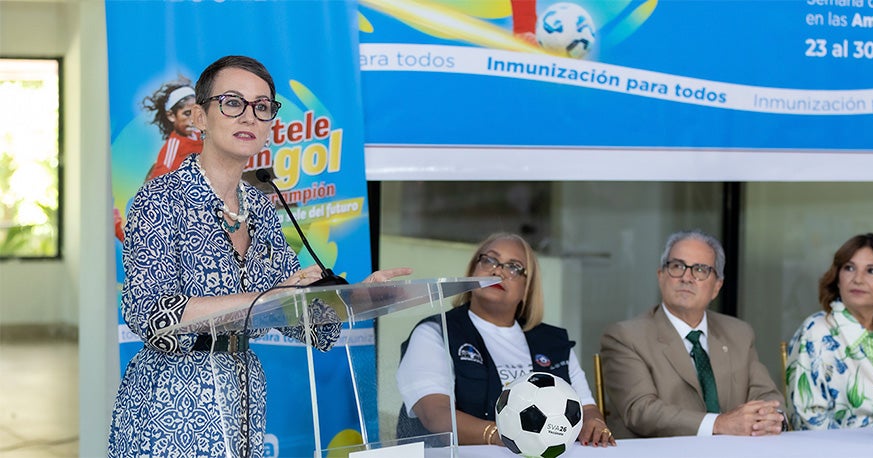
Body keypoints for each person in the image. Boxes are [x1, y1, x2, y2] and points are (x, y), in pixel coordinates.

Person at [107, 55, 410, 457]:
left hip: (243, 396)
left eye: (262, 107)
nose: (249, 116)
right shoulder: (159, 199)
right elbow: (150, 314)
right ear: (199, 116)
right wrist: (264, 299)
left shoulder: (263, 208)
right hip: (170, 403)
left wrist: (353, 299)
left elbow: (300, 321)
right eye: (232, 102)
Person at [396, 232, 615, 447]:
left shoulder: (553, 342)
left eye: (513, 267)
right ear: (472, 270)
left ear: (527, 288)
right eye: (489, 260)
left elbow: (586, 408)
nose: (498, 270)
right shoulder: (435, 332)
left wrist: (594, 423)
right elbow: (436, 416)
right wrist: (508, 437)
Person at [600, 229, 786, 438]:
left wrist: (771, 418)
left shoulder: (739, 333)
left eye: (700, 269)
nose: (687, 277)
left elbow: (768, 396)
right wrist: (719, 423)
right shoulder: (625, 337)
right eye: (677, 266)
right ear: (661, 276)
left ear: (717, 286)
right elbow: (641, 411)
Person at [785, 233, 873, 430]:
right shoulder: (816, 332)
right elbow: (808, 420)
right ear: (838, 278)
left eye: (871, 271)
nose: (858, 279)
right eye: (849, 268)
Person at [142, 76, 203, 181]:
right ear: (171, 116)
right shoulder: (174, 146)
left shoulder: (200, 136)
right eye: (187, 113)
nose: (193, 119)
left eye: (196, 113)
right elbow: (157, 181)